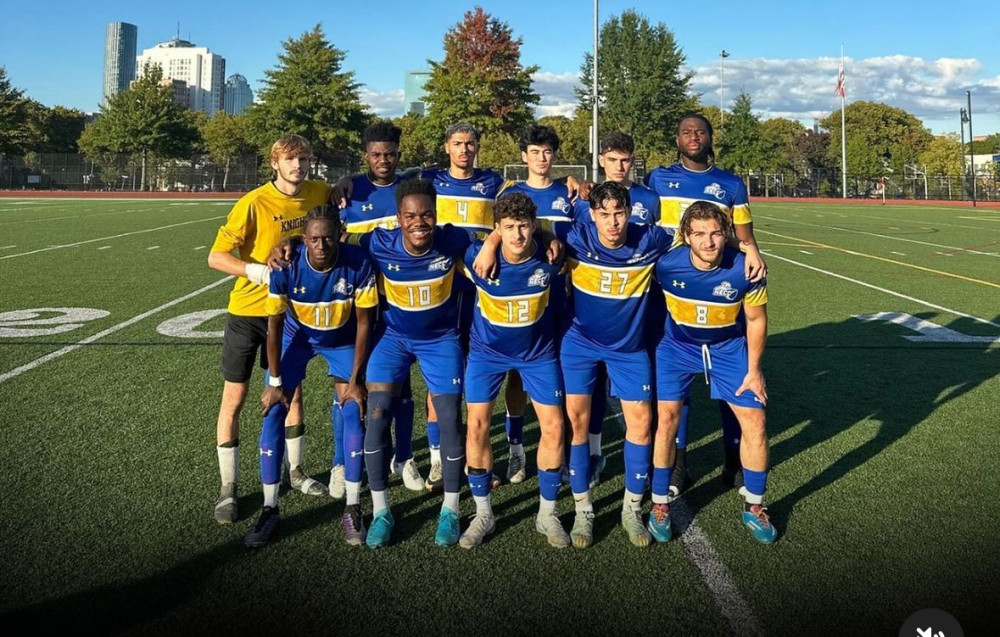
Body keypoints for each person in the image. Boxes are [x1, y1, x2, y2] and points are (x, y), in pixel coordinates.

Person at [207, 134, 331, 525]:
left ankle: (295, 472)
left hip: (292, 312)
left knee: (291, 393)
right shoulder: (254, 202)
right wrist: (256, 270)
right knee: (236, 396)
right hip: (249, 311)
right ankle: (228, 488)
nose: (299, 165)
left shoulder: (320, 192)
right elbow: (216, 256)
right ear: (275, 163)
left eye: (304, 157)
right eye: (291, 159)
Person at [645, 114, 767, 498]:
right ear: (676, 139)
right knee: (673, 387)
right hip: (666, 285)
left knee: (728, 379)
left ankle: (733, 459)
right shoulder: (658, 179)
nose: (693, 137)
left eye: (700, 131)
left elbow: (745, 237)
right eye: (685, 131)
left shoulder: (730, 183)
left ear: (711, 138)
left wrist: (752, 254)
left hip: (716, 283)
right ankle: (678, 464)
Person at [246, 205, 376, 548]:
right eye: (315, 239)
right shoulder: (286, 266)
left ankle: (352, 505)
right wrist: (275, 383)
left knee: (353, 408)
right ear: (304, 240)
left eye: (328, 238)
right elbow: (273, 328)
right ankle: (270, 508)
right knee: (274, 411)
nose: (321, 245)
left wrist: (355, 379)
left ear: (339, 236)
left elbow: (364, 323)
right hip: (297, 337)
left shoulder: (358, 263)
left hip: (341, 338)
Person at [649, 201, 776, 544]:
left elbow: (756, 320)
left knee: (756, 421)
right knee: (666, 421)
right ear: (686, 236)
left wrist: (754, 370)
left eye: (717, 233)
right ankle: (659, 504)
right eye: (700, 234)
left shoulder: (746, 270)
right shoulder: (665, 265)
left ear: (727, 235)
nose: (708, 242)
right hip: (676, 348)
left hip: (727, 349)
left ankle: (755, 505)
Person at [557, 181, 674, 549]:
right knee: (575, 423)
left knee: (641, 423)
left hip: (629, 349)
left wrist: (747, 248)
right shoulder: (575, 237)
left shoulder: (650, 239)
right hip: (580, 345)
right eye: (604, 214)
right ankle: (583, 511)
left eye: (619, 213)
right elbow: (541, 234)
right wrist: (495, 242)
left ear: (630, 212)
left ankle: (630, 509)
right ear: (592, 215)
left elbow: (694, 239)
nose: (612, 223)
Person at [457, 193, 568, 549]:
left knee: (554, 426)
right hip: (486, 354)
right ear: (497, 229)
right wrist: (489, 243)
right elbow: (448, 238)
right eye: (508, 227)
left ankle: (547, 513)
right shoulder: (477, 256)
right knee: (476, 425)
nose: (518, 235)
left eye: (523, 226)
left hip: (537, 354)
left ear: (533, 225)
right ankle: (483, 513)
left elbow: (571, 239)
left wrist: (551, 237)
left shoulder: (551, 257)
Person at [334, 121, 424, 495]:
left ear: (398, 155)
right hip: (355, 306)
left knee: (400, 388)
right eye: (376, 154)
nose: (383, 160)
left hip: (395, 304)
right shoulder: (347, 194)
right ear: (366, 155)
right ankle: (341, 462)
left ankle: (404, 457)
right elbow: (334, 239)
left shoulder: (409, 189)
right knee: (347, 386)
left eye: (389, 154)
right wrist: (343, 181)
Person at [572, 131, 662, 487]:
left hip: (634, 301)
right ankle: (594, 452)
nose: (620, 166)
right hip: (588, 300)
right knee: (589, 391)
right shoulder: (583, 198)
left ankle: (650, 466)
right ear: (602, 160)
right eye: (613, 159)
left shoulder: (650, 199)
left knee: (638, 395)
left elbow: (661, 244)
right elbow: (564, 240)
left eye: (625, 159)